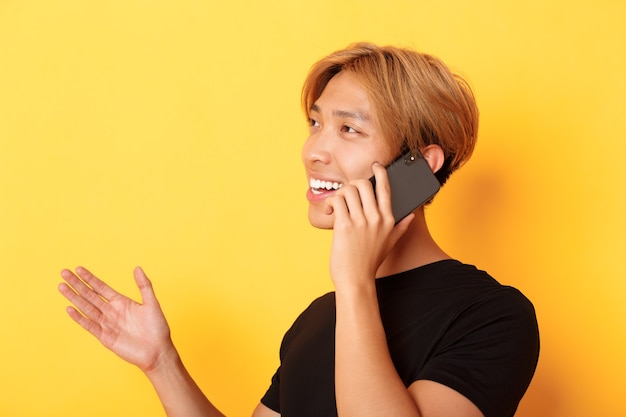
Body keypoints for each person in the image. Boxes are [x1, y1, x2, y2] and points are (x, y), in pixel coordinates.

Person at [58, 42, 539, 417]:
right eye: (315, 123)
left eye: (348, 129)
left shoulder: (494, 316)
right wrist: (162, 363)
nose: (313, 151)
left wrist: (353, 282)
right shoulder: (318, 319)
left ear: (419, 166)